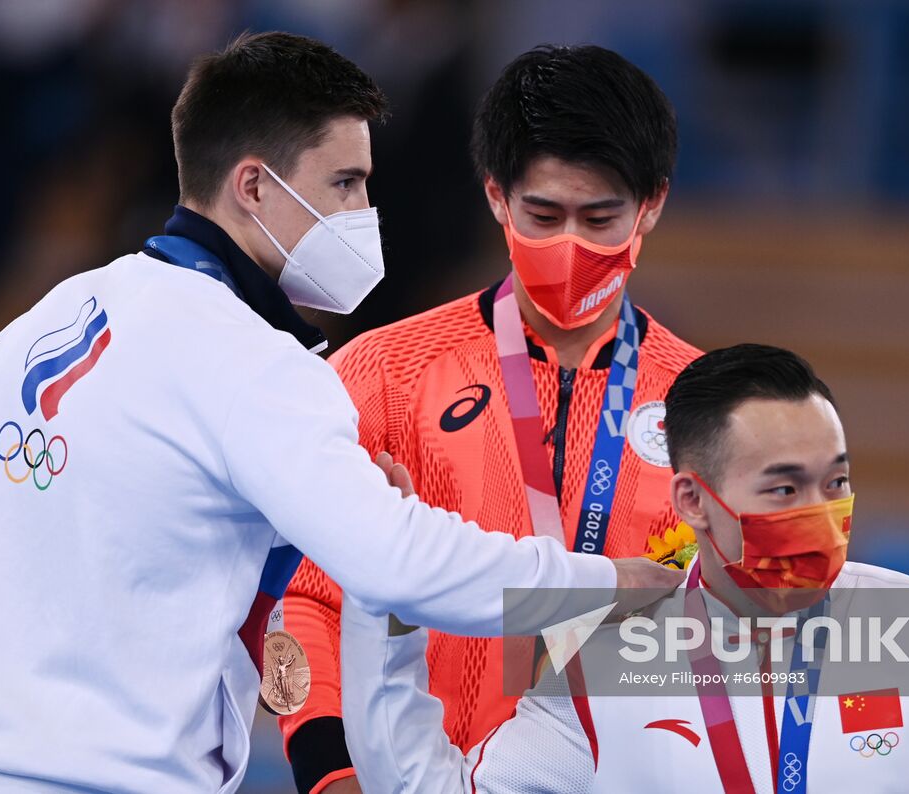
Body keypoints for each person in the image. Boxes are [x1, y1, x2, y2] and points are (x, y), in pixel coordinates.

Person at [0, 32, 680, 794]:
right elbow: (400, 566)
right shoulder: (259, 367)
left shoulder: (36, 326)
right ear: (255, 186)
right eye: (346, 184)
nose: (366, 211)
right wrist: (609, 583)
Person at [340, 344, 909, 793]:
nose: (822, 509)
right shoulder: (605, 667)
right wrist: (390, 595)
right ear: (693, 503)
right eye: (783, 488)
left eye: (835, 480)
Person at [280, 44, 703, 794]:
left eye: (601, 217)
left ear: (653, 204)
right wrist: (328, 771)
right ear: (495, 197)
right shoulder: (378, 375)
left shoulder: (714, 407)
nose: (570, 245)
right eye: (543, 214)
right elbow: (302, 600)